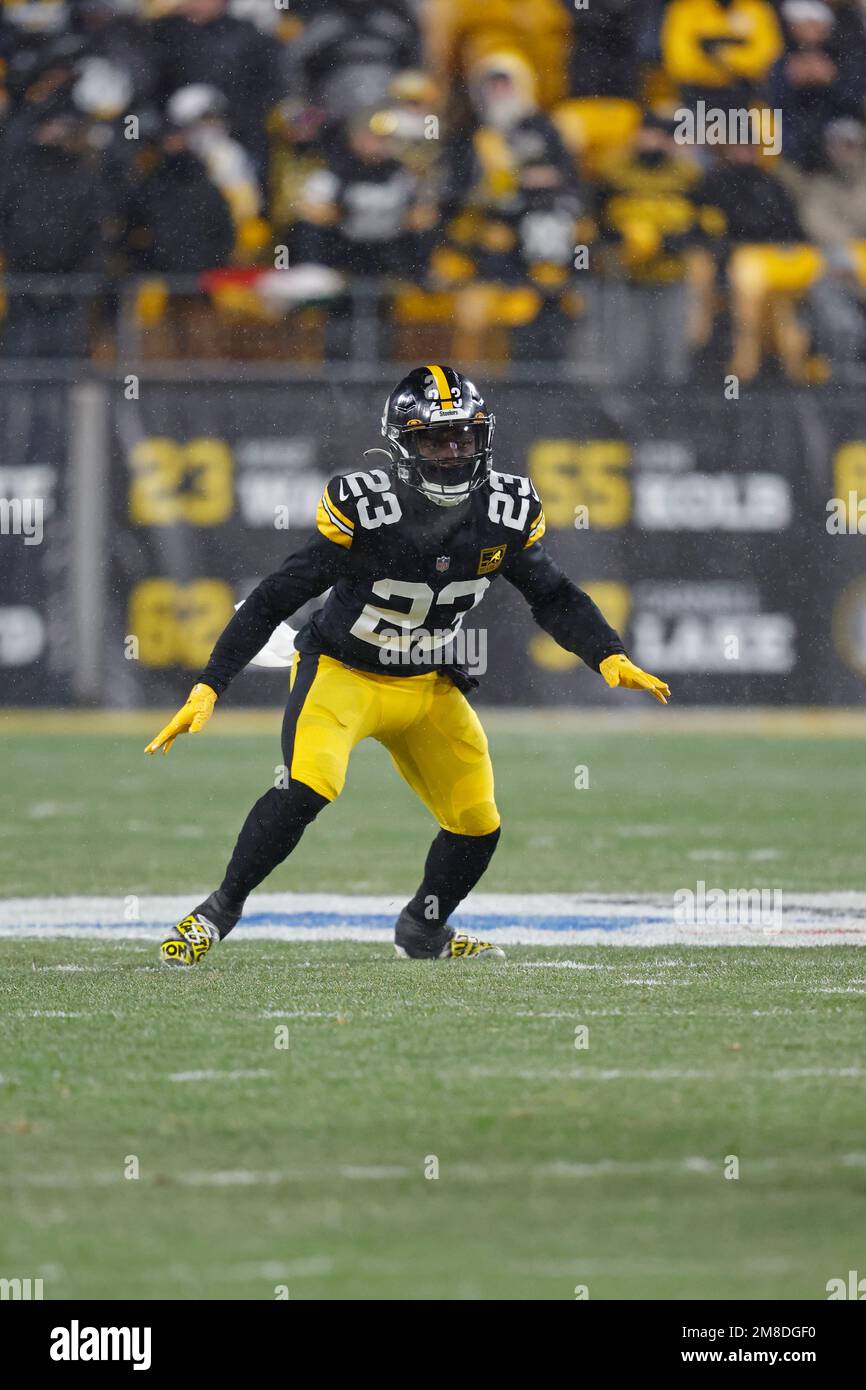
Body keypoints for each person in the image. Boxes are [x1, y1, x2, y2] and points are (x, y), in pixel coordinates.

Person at [145, 366, 670, 966]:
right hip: (342, 675)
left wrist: (606, 652)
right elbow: (272, 599)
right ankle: (217, 912)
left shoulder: (502, 511)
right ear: (402, 444)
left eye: (463, 438)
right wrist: (210, 685)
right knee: (309, 786)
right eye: (434, 439)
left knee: (477, 822)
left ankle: (424, 929)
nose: (451, 453)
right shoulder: (370, 509)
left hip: (425, 683)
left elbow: (552, 595)